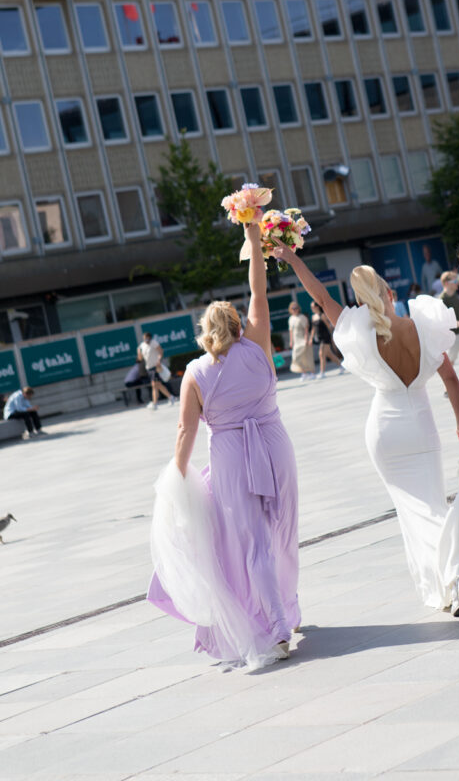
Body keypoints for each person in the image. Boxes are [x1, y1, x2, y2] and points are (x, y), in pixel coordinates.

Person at [273, 243, 459, 616]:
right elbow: (451, 378)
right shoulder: (423, 326)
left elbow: (321, 296)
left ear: (361, 301)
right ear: (390, 293)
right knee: (432, 504)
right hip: (422, 429)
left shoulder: (361, 331)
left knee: (414, 512)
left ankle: (454, 580)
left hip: (385, 433)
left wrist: (292, 258)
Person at [147, 221, 300, 670]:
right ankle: (284, 609)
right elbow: (258, 287)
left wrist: (177, 475)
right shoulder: (257, 342)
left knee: (251, 543)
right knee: (282, 533)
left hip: (232, 455)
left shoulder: (195, 372)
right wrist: (253, 238)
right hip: (275, 444)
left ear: (204, 330)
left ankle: (276, 624)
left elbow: (185, 432)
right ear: (236, 324)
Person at [137, 332, 176, 409]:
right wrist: (139, 352)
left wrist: (159, 360)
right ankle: (171, 397)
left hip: (155, 367)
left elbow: (161, 351)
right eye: (144, 338)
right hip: (149, 368)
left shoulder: (153, 343)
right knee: (157, 385)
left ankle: (155, 403)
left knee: (154, 384)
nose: (146, 339)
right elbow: (140, 359)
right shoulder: (142, 346)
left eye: (147, 338)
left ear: (149, 337)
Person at [309, 301, 345, 378]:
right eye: (311, 307)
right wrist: (311, 338)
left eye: (313, 307)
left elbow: (328, 326)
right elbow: (313, 328)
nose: (312, 308)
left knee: (321, 354)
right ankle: (341, 366)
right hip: (319, 337)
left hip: (326, 337)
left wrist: (332, 337)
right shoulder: (313, 317)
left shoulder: (322, 315)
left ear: (317, 307)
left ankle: (322, 372)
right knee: (329, 354)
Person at [287, 302, 315, 381]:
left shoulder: (302, 317)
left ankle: (312, 373)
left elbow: (306, 329)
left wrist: (306, 339)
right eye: (293, 308)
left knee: (307, 356)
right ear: (290, 310)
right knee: (296, 357)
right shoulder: (291, 319)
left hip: (303, 339)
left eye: (296, 308)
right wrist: (291, 341)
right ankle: (304, 373)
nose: (294, 310)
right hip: (296, 341)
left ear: (298, 309)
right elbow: (291, 331)